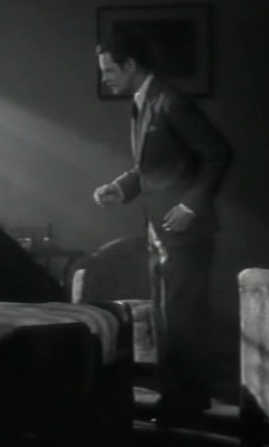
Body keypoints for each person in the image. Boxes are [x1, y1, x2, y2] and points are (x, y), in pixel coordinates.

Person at [93, 28, 232, 427]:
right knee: (168, 319)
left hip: (185, 234)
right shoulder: (144, 101)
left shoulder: (170, 101)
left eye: (109, 70)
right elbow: (152, 166)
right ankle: (181, 401)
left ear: (130, 65)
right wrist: (121, 188)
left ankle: (182, 405)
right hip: (161, 232)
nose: (105, 78)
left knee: (182, 320)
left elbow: (218, 153)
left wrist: (191, 205)